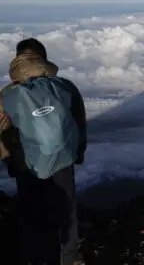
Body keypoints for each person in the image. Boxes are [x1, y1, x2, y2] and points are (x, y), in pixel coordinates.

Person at [0, 38, 87, 265]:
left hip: (25, 164)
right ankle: (70, 258)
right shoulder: (64, 86)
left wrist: (9, 159)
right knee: (66, 209)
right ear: (44, 59)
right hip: (62, 158)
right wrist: (78, 152)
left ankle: (36, 258)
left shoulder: (9, 93)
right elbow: (79, 121)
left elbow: (1, 131)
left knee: (31, 212)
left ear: (17, 59)